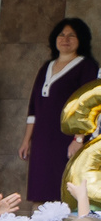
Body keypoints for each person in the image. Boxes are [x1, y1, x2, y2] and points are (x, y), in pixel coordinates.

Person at [21, 18, 97, 206]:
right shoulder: (46, 67)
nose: (65, 39)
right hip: (42, 140)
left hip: (67, 139)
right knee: (39, 190)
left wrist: (78, 139)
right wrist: (26, 140)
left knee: (62, 189)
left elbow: (88, 104)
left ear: (82, 40)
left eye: (72, 35)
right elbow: (34, 108)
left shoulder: (87, 66)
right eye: (61, 34)